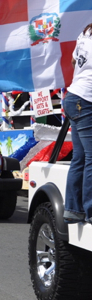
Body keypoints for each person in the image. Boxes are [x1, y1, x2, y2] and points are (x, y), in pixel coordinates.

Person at [63, 22, 92, 224]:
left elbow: (74, 62)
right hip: (87, 99)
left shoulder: (85, 34)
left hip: (74, 96)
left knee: (80, 157)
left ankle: (73, 209)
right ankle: (90, 210)